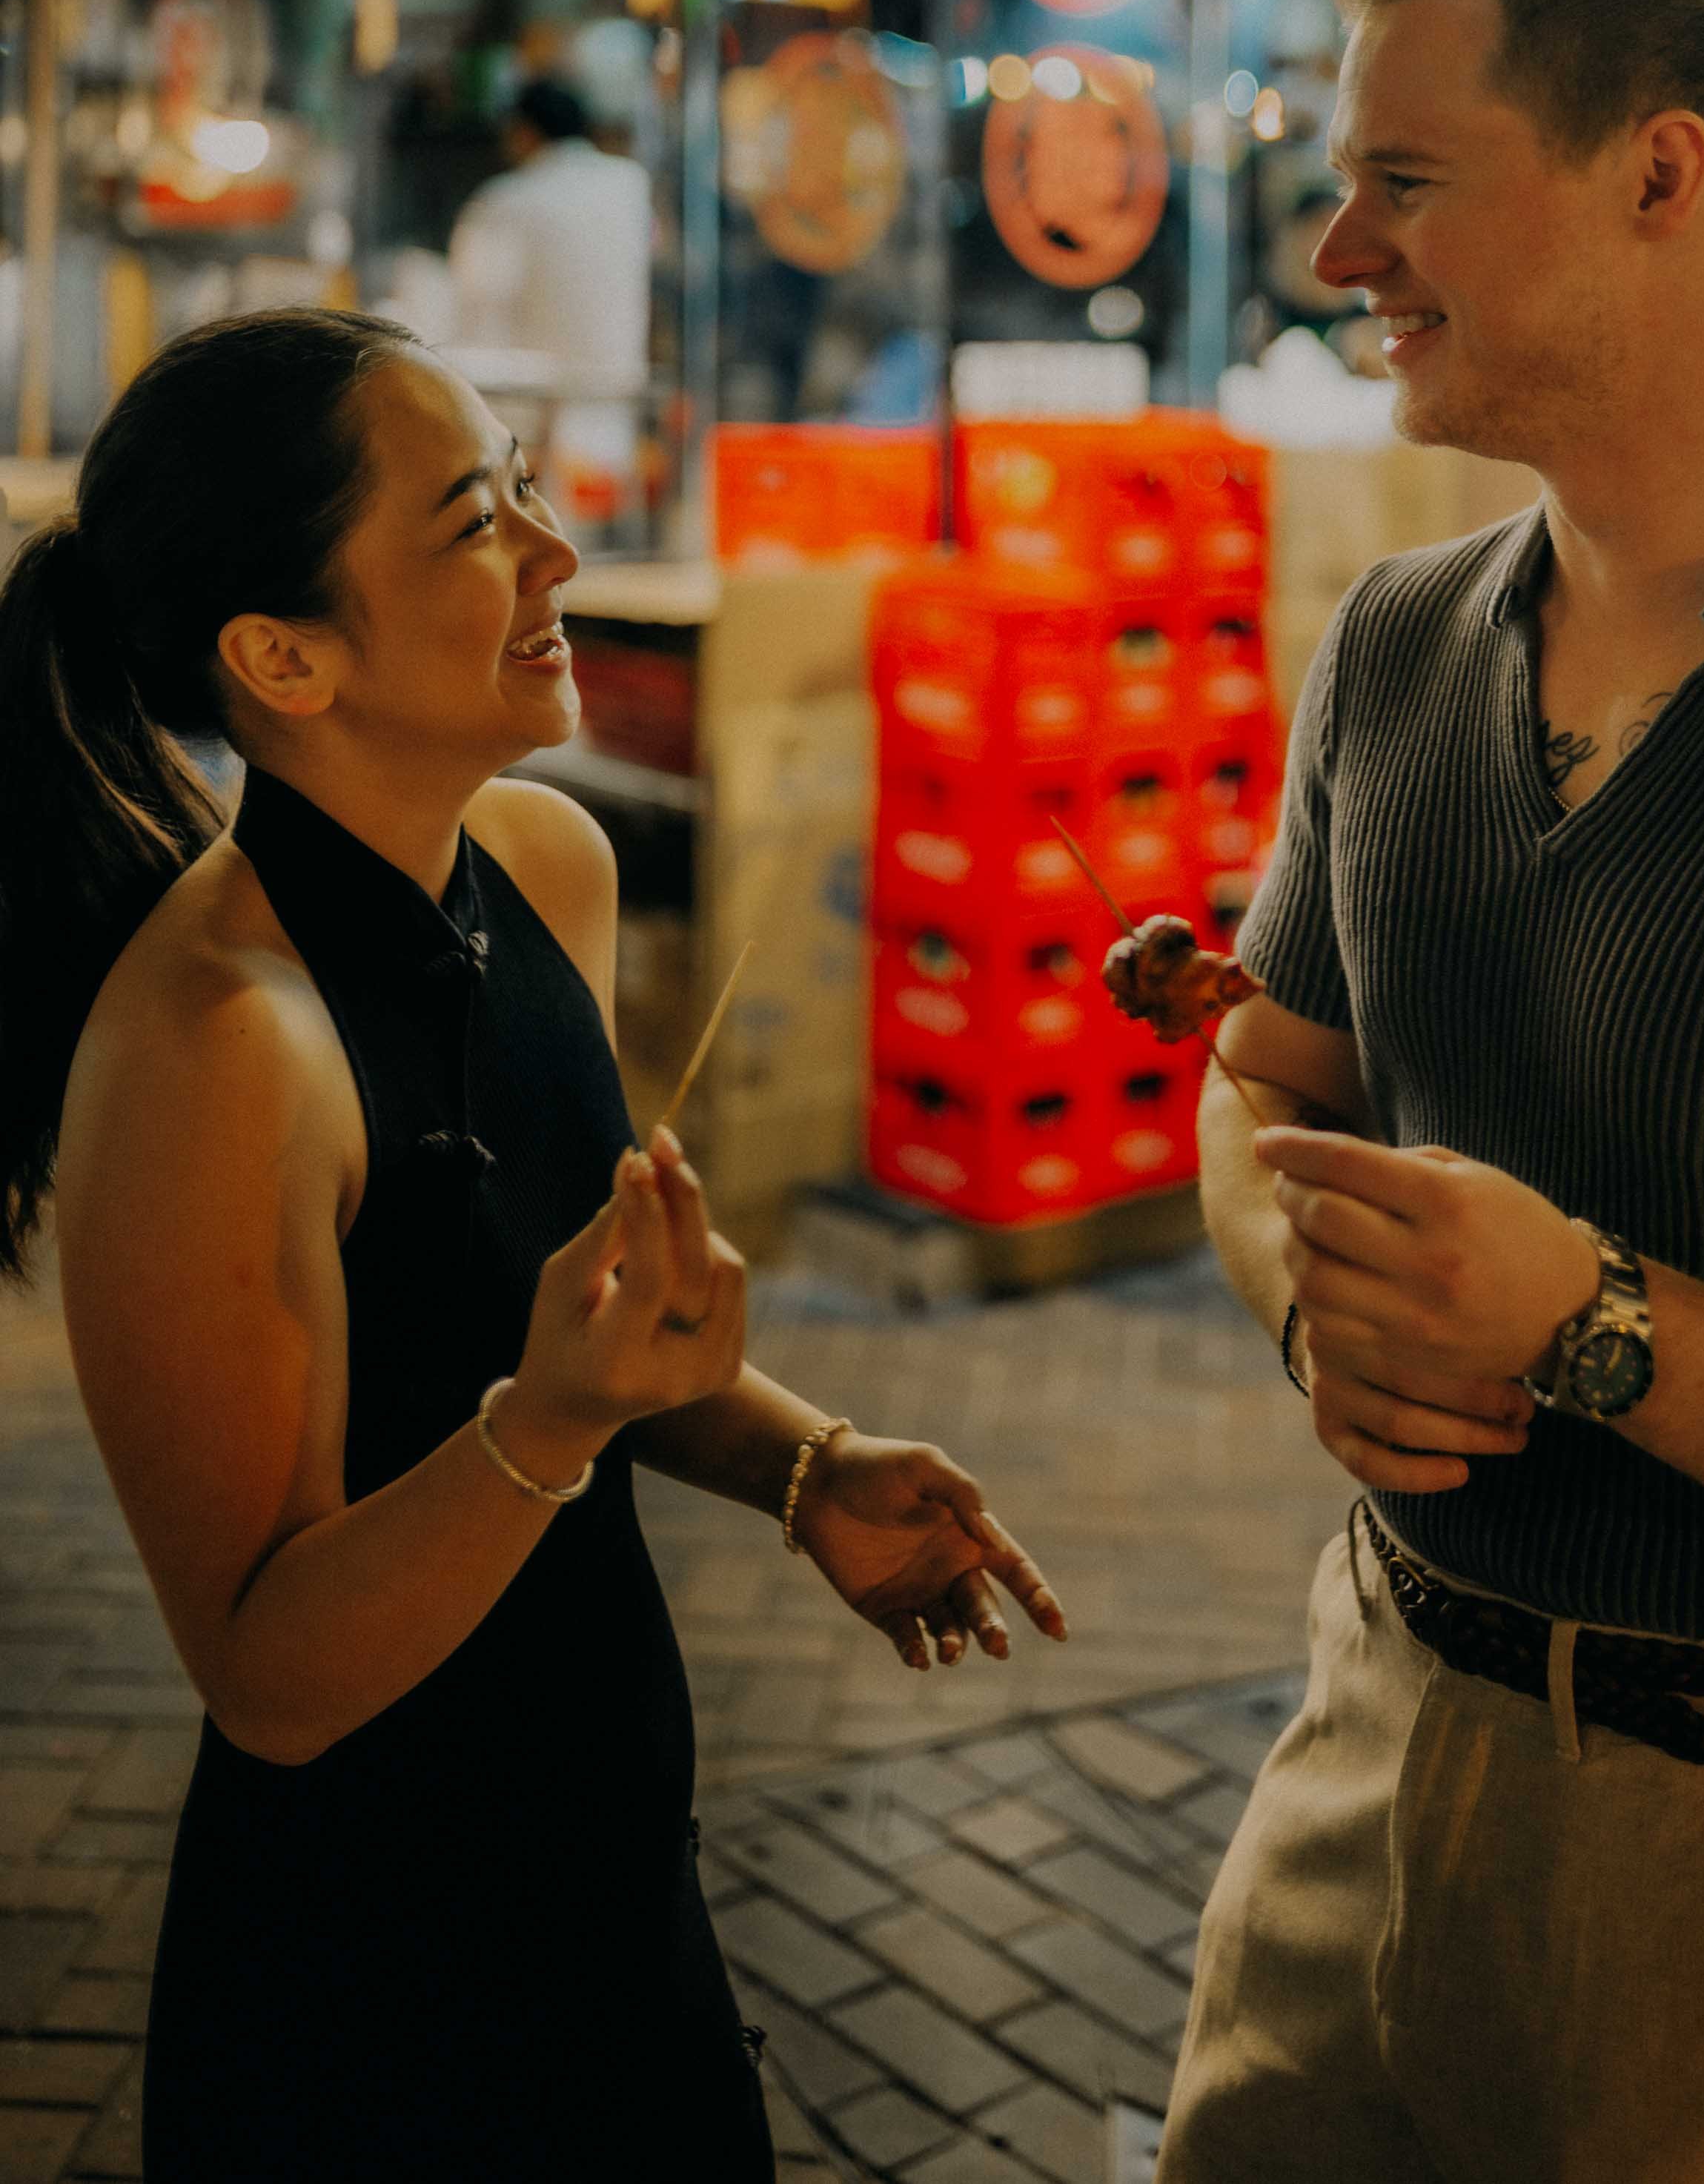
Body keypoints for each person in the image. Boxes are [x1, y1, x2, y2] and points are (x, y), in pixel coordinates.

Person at [0, 308, 1067, 2183]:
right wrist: (550, 1424)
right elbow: (269, 1671)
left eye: (518, 487)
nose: (555, 550)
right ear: (282, 655)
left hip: (618, 1889)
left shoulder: (545, 864)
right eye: (476, 519)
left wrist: (802, 1460)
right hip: (370, 1989)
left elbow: (576, 1335)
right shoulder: (214, 1043)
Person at [1158, 0, 1704, 2184]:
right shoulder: (1390, 637)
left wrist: (1585, 1318)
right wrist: (1312, 1311)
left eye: (1405, 178)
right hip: (1359, 1741)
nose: (1335, 249)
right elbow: (1266, 1080)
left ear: (1657, 171)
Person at [448, 77, 652, 532]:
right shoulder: (632, 186)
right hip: (624, 421)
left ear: (523, 132)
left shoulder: (506, 201)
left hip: (537, 438)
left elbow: (475, 316)